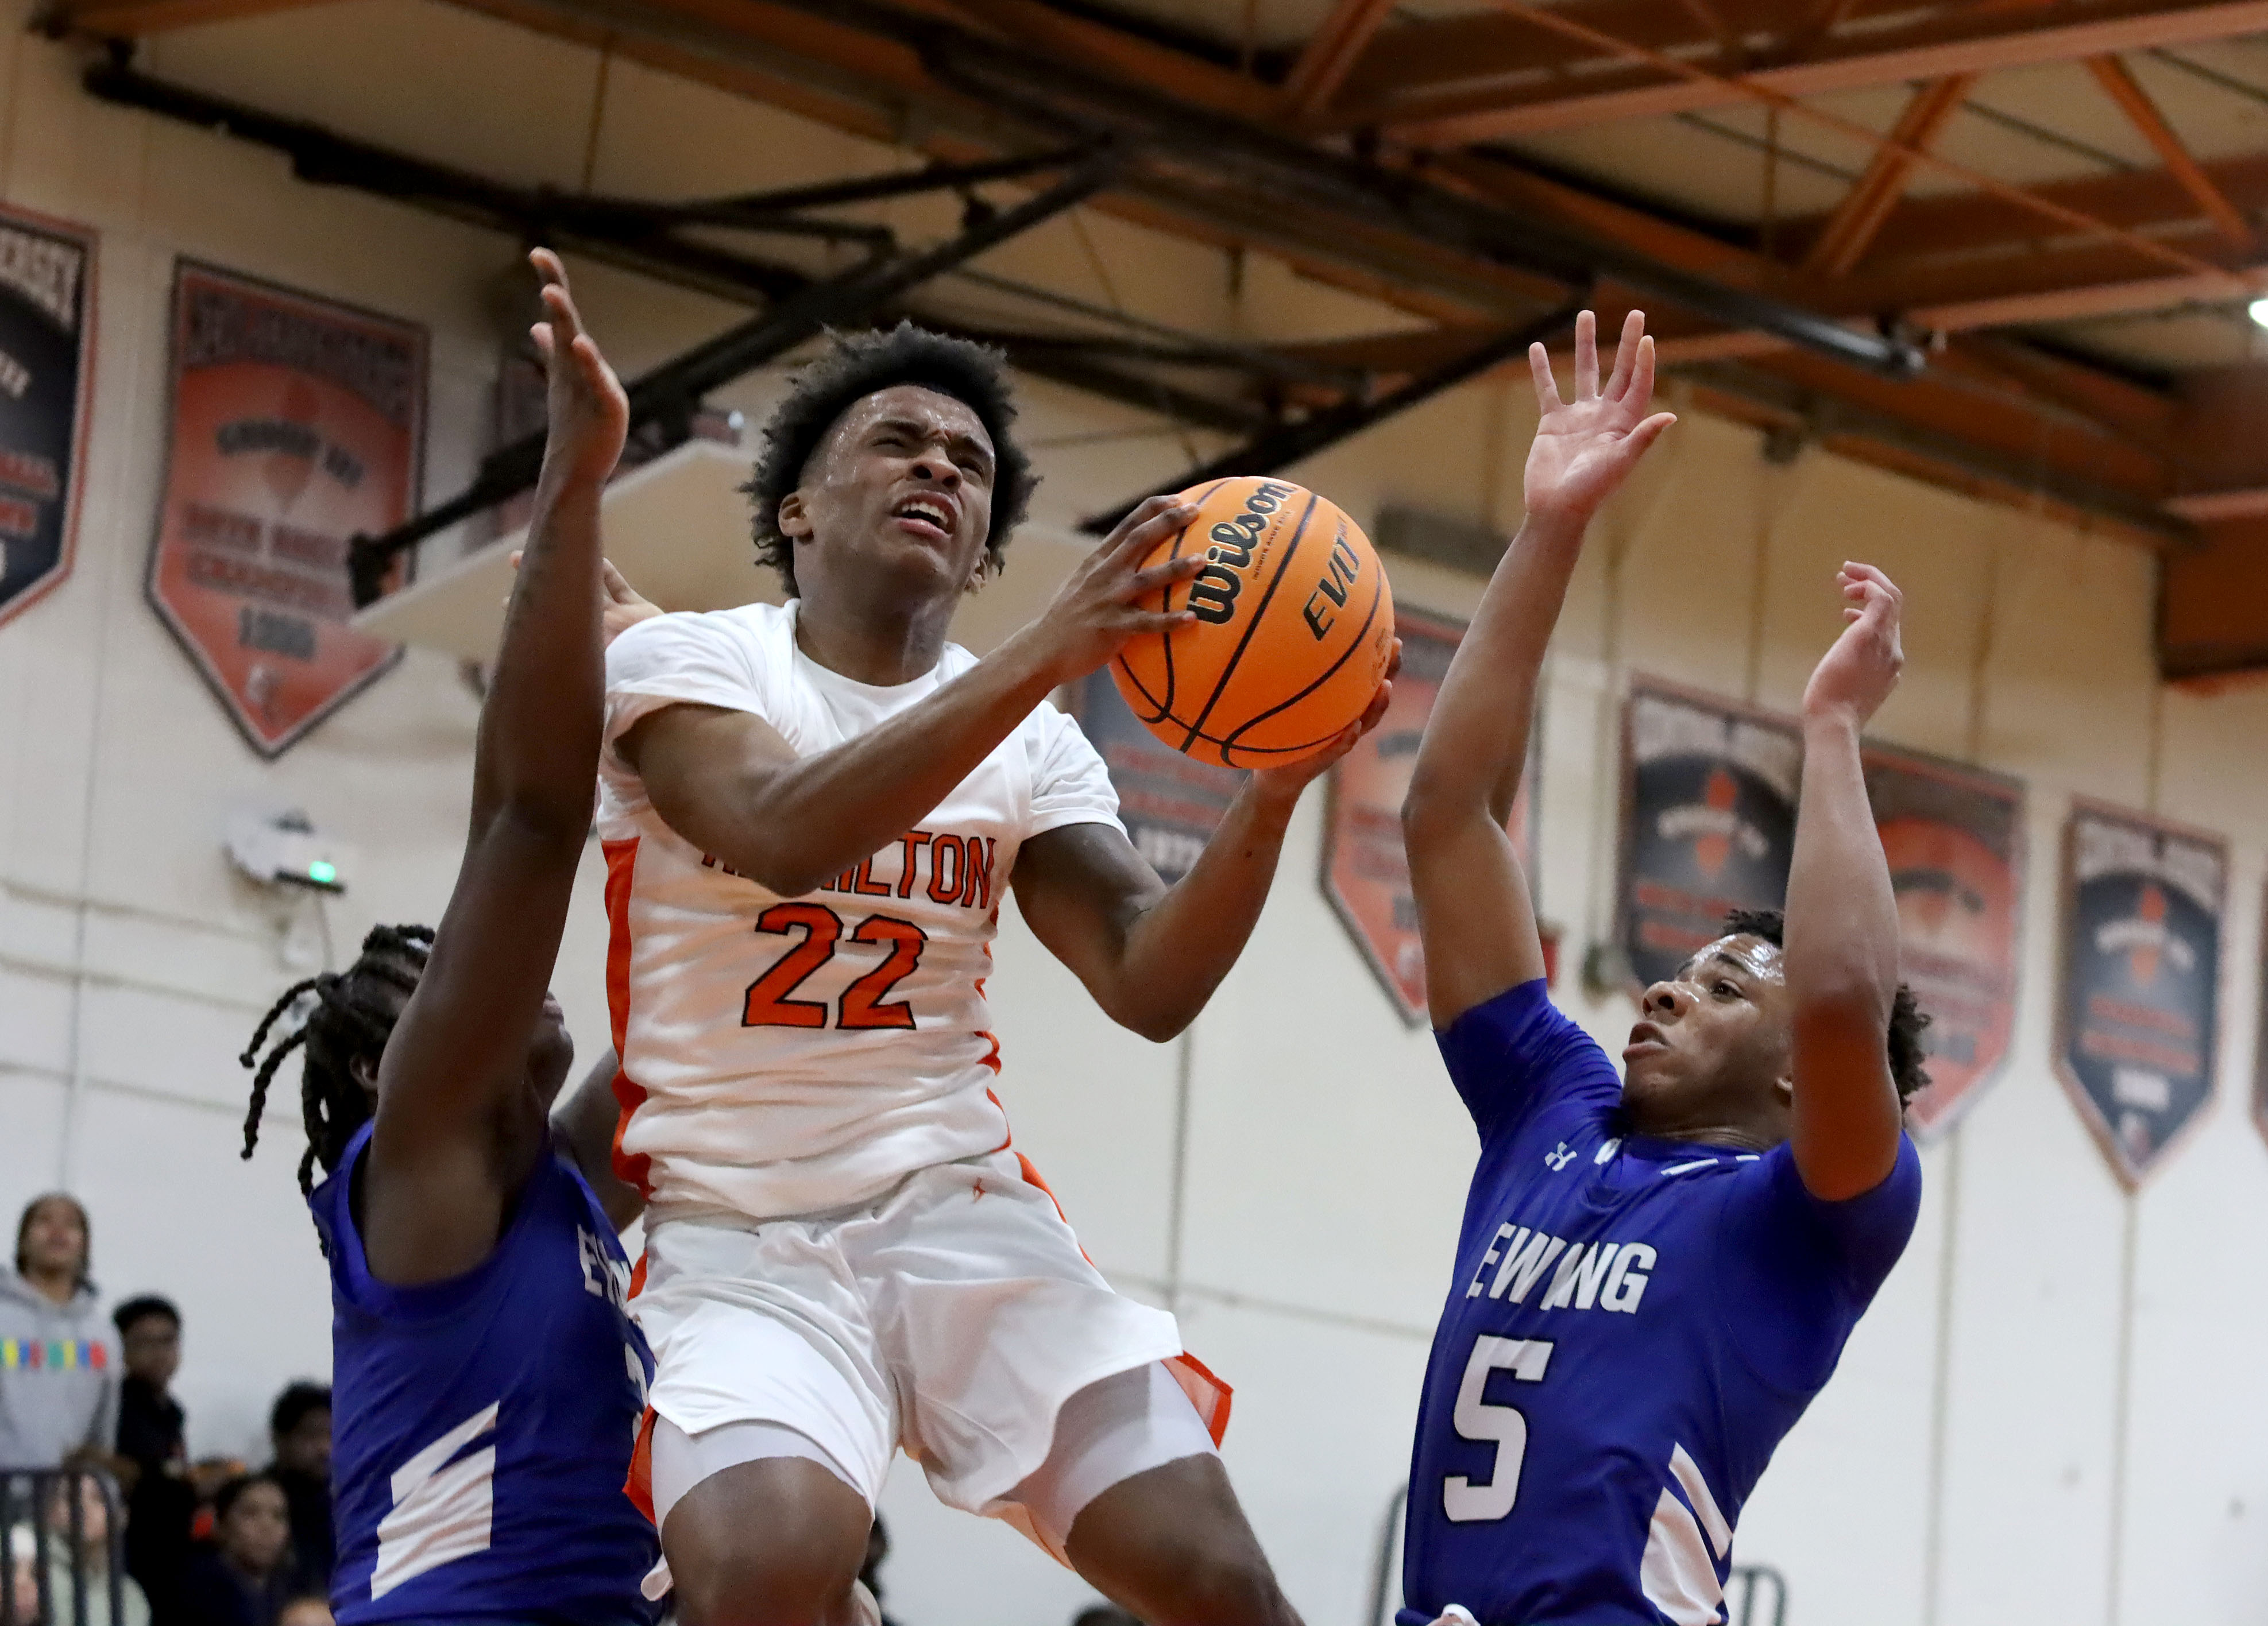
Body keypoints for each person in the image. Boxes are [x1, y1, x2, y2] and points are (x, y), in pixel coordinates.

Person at [598, 322, 1392, 1625]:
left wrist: (1272, 789)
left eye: (968, 461)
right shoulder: (693, 659)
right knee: (763, 1577)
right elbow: (784, 832)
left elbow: (1148, 980)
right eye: (897, 440)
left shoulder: (1035, 746)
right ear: (797, 504)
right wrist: (1042, 652)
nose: (940, 467)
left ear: (980, 547)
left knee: (1222, 1584)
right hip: (742, 1230)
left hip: (957, 1216)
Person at [1394, 309, 1927, 1626]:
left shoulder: (1808, 1216)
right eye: (1687, 971)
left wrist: (1832, 729)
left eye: (1729, 988)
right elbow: (1447, 815)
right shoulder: (1550, 1112)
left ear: (1805, 1075)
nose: (1666, 987)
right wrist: (1553, 526)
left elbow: (1847, 995)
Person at [235, 249, 656, 1625]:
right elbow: (525, 825)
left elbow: (699, 1014)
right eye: (435, 983)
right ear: (383, 1067)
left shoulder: (563, 1180)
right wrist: (575, 482)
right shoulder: (415, 1139)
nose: (494, 978)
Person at [0, 1195, 118, 1472]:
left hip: (65, 1496)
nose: (58, 1232)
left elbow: (103, 1431)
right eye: (44, 1221)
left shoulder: (102, 1335)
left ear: (85, 1246)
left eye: (71, 1224)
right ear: (23, 1241)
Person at [114, 1296, 198, 1621]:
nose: (159, 1352)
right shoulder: (117, 1407)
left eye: (168, 1340)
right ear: (121, 1348)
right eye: (144, 1342)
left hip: (174, 1551)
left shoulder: (172, 1412)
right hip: (134, 1551)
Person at [31, 1470, 150, 1626]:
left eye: (98, 1498)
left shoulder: (131, 1595)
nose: (82, 1507)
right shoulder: (30, 1572)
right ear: (50, 1511)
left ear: (122, 1515)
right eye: (71, 1497)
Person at [177, 1477, 293, 1626]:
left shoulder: (298, 1585)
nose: (267, 1526)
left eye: (278, 1516)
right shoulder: (194, 1592)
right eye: (250, 1514)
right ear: (221, 1525)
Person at [258, 1385, 330, 1595]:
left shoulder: (344, 1501)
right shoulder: (258, 1501)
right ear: (279, 1439)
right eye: (311, 1436)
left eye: (331, 1434)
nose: (324, 1449)